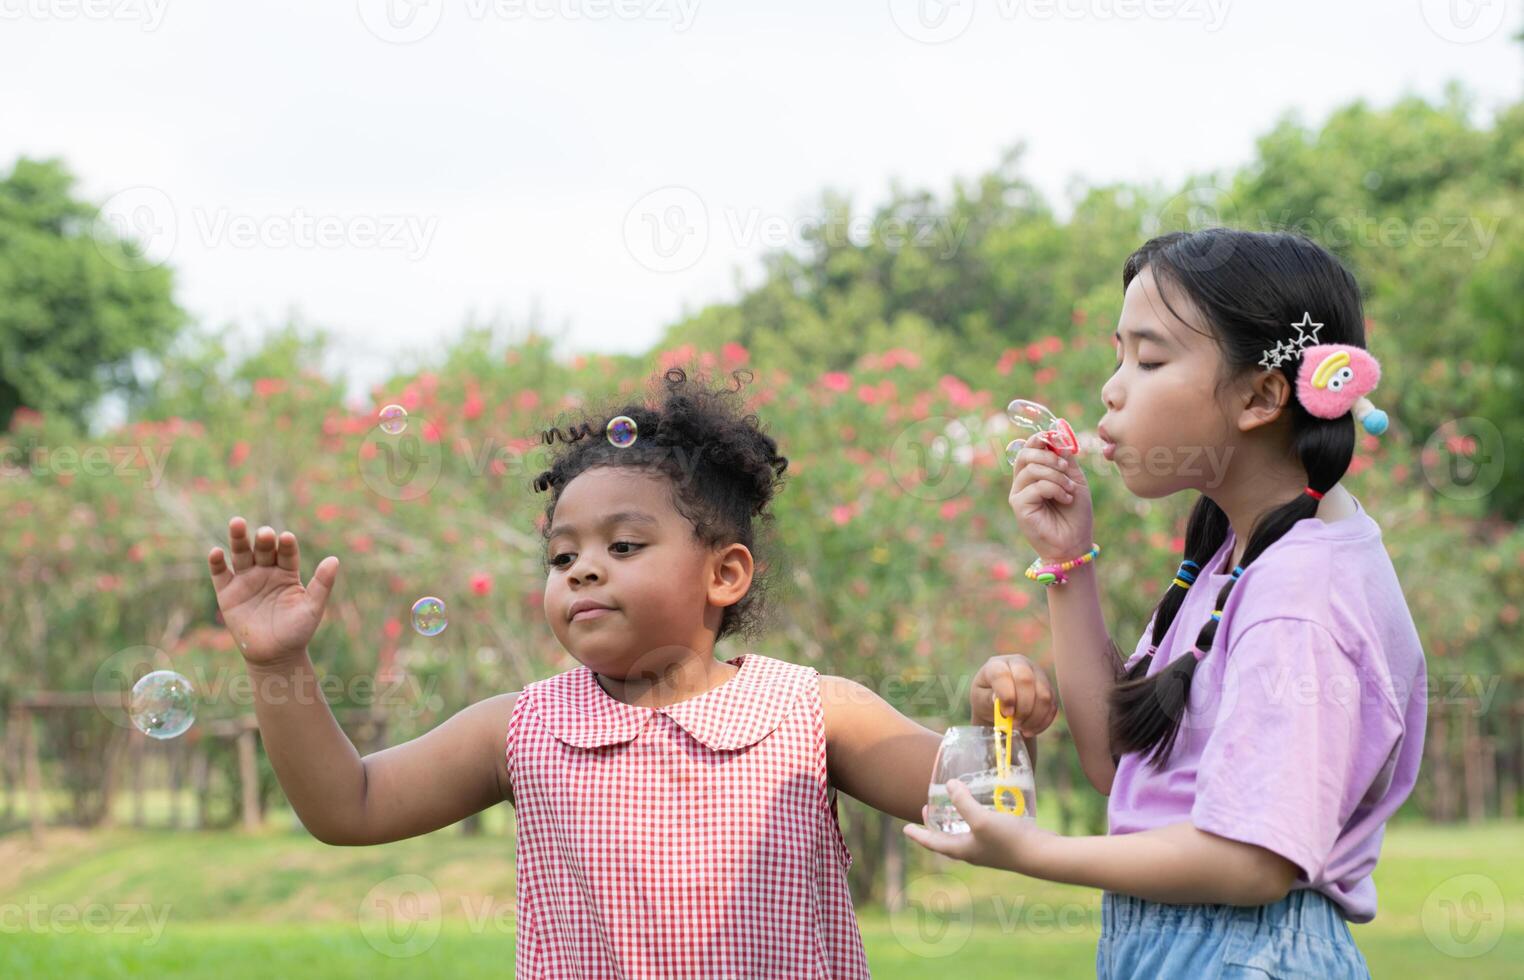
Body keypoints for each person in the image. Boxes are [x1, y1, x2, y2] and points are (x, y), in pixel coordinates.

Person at [207, 366, 1046, 977]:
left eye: (623, 546)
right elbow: (345, 806)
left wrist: (997, 718)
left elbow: (972, 807)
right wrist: (280, 663)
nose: (581, 570)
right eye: (562, 553)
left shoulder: (811, 713)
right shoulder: (521, 727)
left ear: (725, 574)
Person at [906, 229, 1426, 979]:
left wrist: (1037, 854)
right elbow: (1117, 766)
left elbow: (1254, 862)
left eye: (1149, 360)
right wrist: (1066, 563)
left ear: (1261, 397)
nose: (1112, 389)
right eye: (1119, 356)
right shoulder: (1234, 559)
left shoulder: (1299, 596)